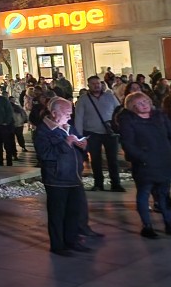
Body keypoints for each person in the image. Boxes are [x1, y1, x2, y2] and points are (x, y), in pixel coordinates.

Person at [34, 98, 90, 256]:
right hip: (56, 178)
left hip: (74, 176)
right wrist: (65, 143)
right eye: (66, 113)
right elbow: (45, 154)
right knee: (57, 214)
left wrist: (83, 145)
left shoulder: (69, 127)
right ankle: (58, 245)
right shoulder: (43, 131)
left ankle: (72, 240)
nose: (69, 117)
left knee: (74, 212)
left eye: (70, 113)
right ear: (54, 113)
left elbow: (79, 141)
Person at [118, 91, 171, 239]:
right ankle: (147, 226)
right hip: (145, 164)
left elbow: (170, 133)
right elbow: (128, 143)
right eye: (140, 103)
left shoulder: (159, 116)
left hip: (163, 160)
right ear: (132, 106)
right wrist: (143, 158)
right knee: (144, 193)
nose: (145, 105)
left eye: (146, 102)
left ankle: (169, 223)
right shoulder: (128, 120)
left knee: (164, 194)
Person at [74, 76, 124, 192]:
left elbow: (119, 112)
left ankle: (116, 183)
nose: (96, 85)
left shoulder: (110, 97)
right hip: (92, 133)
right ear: (88, 85)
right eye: (93, 83)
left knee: (113, 159)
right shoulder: (83, 99)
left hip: (110, 133)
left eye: (98, 83)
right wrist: (79, 135)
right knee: (95, 159)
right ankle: (98, 183)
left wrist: (120, 128)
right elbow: (79, 117)